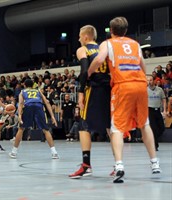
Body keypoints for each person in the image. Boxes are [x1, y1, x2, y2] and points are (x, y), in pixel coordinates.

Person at [88, 17, 161, 183]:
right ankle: (155, 163)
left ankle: (119, 165)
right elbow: (143, 64)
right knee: (145, 124)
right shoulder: (135, 44)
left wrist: (89, 73)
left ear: (111, 31)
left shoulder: (108, 43)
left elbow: (99, 60)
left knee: (117, 128)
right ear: (126, 31)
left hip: (123, 85)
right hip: (141, 84)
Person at [68, 25, 111, 179]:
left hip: (93, 88)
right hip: (108, 89)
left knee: (83, 124)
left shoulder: (83, 49)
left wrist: (80, 92)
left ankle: (86, 166)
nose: (79, 39)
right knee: (109, 126)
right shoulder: (103, 49)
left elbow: (85, 70)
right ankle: (118, 164)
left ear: (85, 37)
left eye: (80, 36)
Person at [9, 79, 59, 159]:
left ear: (24, 85)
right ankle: (54, 152)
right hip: (39, 106)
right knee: (45, 130)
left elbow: (21, 103)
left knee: (21, 129)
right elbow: (47, 102)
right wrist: (53, 116)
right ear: (33, 85)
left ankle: (14, 152)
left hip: (28, 106)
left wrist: (19, 116)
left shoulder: (22, 92)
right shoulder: (38, 91)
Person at [147, 76, 166, 151]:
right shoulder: (145, 90)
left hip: (158, 110)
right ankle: (155, 145)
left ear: (154, 81)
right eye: (148, 80)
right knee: (154, 128)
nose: (149, 82)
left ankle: (150, 138)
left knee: (162, 128)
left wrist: (164, 110)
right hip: (150, 110)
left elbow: (163, 99)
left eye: (151, 80)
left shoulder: (159, 89)